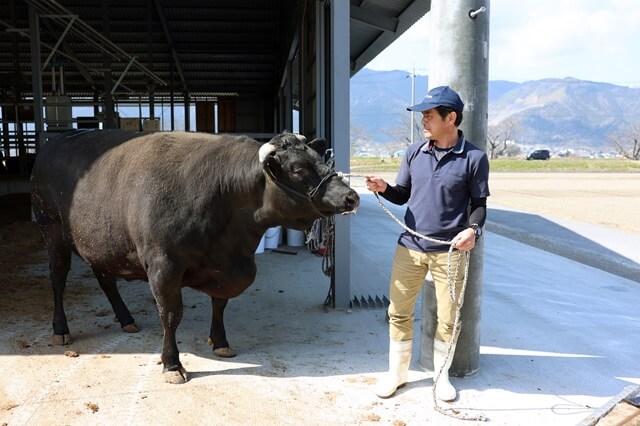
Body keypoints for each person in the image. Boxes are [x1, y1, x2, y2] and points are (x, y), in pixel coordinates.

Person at [366, 86, 490, 401]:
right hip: (409, 247)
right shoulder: (413, 152)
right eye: (423, 114)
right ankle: (397, 374)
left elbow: (479, 205)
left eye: (429, 114)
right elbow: (402, 194)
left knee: (449, 318)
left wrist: (473, 230)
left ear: (450, 118)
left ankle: (441, 377)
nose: (423, 120)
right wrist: (384, 188)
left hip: (449, 252)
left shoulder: (474, 157)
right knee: (399, 311)